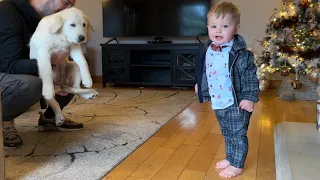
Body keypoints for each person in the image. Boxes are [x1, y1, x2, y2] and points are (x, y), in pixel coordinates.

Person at [0, 0, 84, 149]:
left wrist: (60, 68)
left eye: (71, 5)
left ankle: (49, 118)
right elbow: (11, 65)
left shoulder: (51, 18)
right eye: (65, 2)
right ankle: (4, 120)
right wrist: (52, 62)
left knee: (75, 70)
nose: (68, 10)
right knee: (32, 85)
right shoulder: (7, 12)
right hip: (5, 72)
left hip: (24, 69)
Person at [194, 1, 259, 178]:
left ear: (236, 28)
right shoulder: (209, 48)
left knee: (237, 134)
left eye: (224, 26)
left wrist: (249, 97)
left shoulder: (241, 54)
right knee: (227, 132)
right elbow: (206, 69)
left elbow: (250, 77)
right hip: (219, 101)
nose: (218, 31)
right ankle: (231, 158)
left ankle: (237, 165)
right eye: (214, 26)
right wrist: (201, 85)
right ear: (208, 27)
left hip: (237, 102)